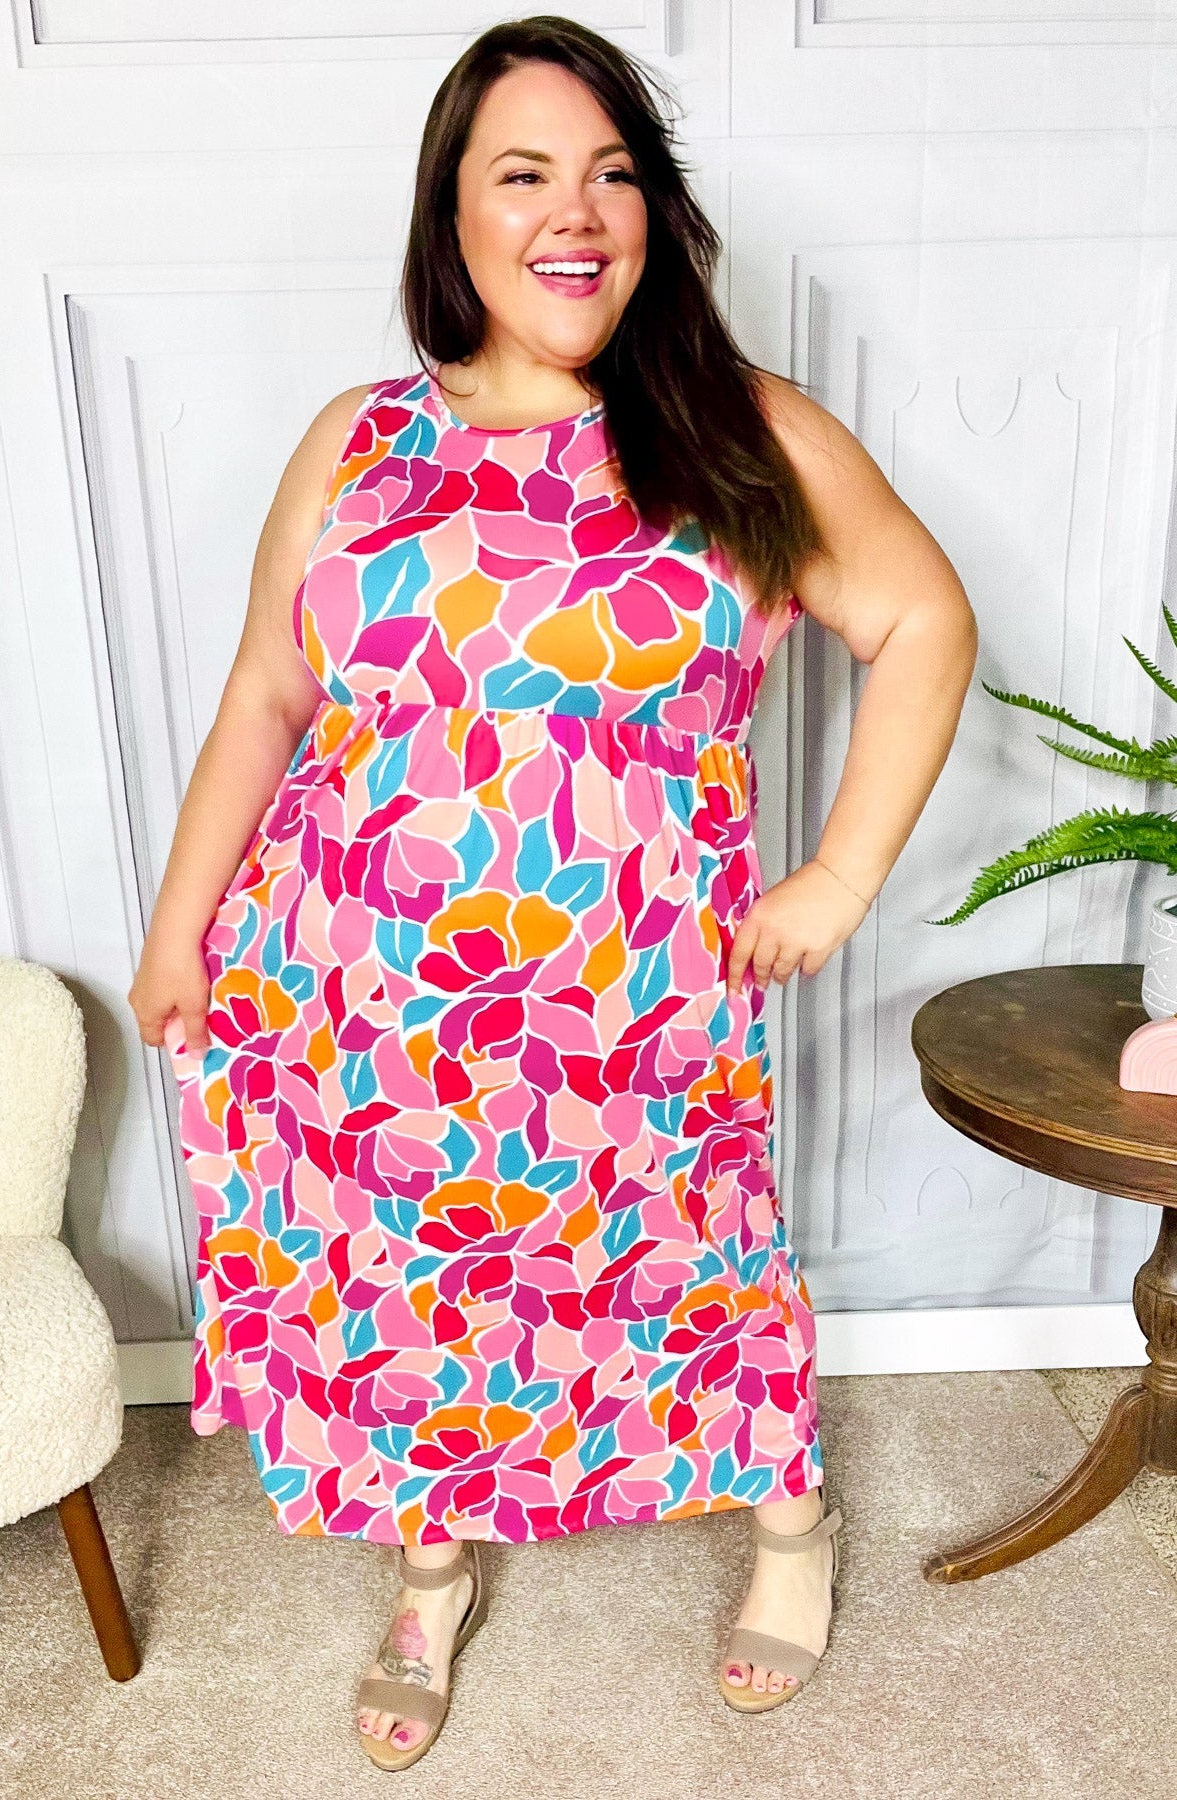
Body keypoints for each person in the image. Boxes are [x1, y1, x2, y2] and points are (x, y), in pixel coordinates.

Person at [129, 14, 976, 1774]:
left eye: (611, 174)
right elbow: (268, 699)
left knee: (692, 1261)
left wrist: (836, 876)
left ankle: (789, 1523)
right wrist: (176, 928)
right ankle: (432, 1567)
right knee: (401, 1283)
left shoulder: (736, 433)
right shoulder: (359, 442)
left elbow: (921, 619)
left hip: (628, 1003)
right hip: (355, 995)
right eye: (523, 174)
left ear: (653, 212)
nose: (573, 212)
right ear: (452, 214)